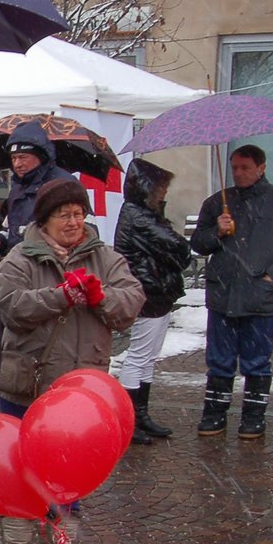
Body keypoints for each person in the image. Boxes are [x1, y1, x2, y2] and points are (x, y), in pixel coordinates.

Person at [0, 179, 144, 544]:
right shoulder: (20, 258)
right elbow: (9, 306)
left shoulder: (104, 257)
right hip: (28, 383)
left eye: (79, 214)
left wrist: (102, 298)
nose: (73, 222)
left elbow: (131, 300)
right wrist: (57, 296)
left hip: (81, 389)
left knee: (70, 473)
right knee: (22, 467)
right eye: (65, 215)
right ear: (45, 219)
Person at [189, 144, 273, 439]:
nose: (238, 173)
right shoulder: (217, 203)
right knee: (219, 360)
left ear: (261, 167)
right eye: (234, 167)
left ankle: (254, 418)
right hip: (223, 295)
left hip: (260, 297)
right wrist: (216, 231)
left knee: (257, 362)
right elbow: (198, 244)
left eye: (245, 167)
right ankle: (214, 414)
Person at [113, 158, 194, 446]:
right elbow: (179, 248)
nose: (164, 193)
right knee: (139, 355)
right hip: (147, 292)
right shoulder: (138, 215)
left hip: (157, 292)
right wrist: (174, 256)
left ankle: (140, 414)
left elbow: (176, 252)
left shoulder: (144, 213)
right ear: (147, 188)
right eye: (160, 188)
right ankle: (129, 418)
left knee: (147, 357)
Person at [0, 122, 76, 254]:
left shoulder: (64, 184)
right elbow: (9, 228)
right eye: (13, 158)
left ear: (40, 156)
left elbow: (84, 231)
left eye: (23, 157)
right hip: (18, 265)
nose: (17, 164)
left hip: (53, 266)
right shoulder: (17, 188)